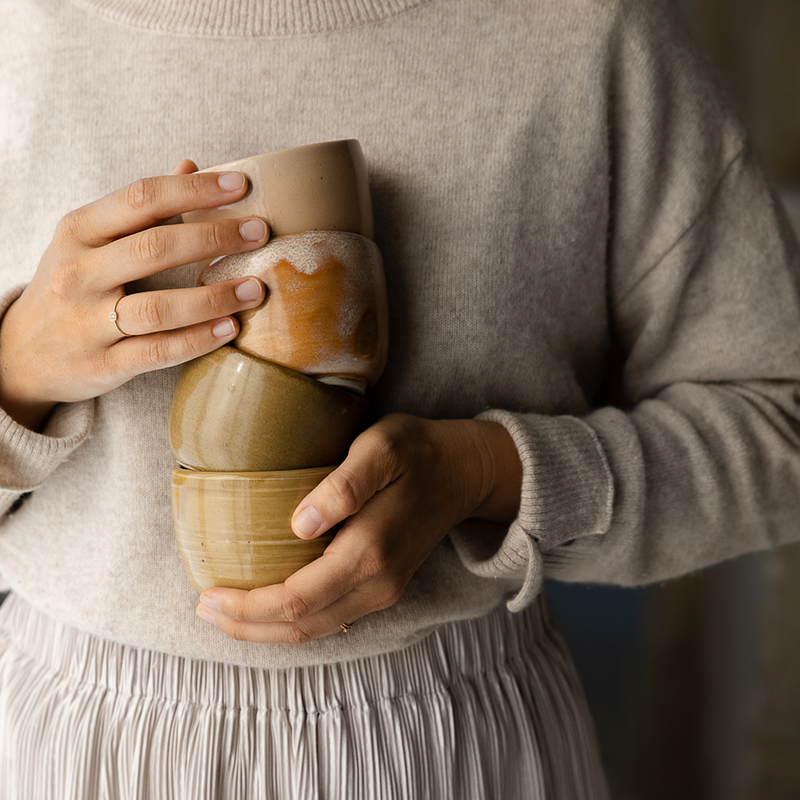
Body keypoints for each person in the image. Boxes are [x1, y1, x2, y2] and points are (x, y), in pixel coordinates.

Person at [1, 0, 799, 797]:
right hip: (74, 748)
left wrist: (489, 475)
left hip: (454, 750)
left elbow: (779, 422)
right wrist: (17, 369)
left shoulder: (589, 30)